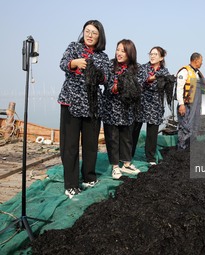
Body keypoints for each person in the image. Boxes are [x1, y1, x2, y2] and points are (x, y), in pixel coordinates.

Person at [58, 20, 110, 199]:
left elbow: (105, 78)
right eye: (87, 31)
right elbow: (63, 63)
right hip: (71, 102)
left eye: (94, 33)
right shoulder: (73, 47)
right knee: (70, 146)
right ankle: (71, 184)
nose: (90, 35)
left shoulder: (102, 56)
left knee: (90, 144)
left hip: (92, 105)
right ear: (83, 33)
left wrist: (96, 72)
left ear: (99, 36)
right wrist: (75, 63)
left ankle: (89, 176)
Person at [102, 39, 141, 179]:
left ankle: (126, 164)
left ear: (130, 53)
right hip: (111, 108)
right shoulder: (110, 65)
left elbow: (139, 86)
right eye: (118, 49)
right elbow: (106, 83)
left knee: (126, 137)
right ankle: (115, 167)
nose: (119, 53)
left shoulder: (136, 68)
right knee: (112, 137)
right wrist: (116, 86)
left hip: (127, 109)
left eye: (123, 51)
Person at [132, 46, 174, 165]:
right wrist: (149, 80)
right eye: (151, 54)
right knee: (135, 130)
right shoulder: (142, 68)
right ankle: (128, 155)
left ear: (161, 57)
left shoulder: (164, 72)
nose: (152, 56)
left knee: (152, 132)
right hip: (141, 102)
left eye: (155, 54)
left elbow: (167, 88)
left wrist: (171, 81)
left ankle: (150, 157)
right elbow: (138, 82)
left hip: (155, 103)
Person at [176, 52, 204, 150]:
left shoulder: (197, 74)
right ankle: (181, 149)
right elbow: (179, 89)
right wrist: (181, 104)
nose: (202, 63)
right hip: (186, 105)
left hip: (195, 106)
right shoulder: (184, 72)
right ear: (196, 60)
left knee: (194, 127)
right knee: (185, 127)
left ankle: (190, 149)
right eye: (201, 61)